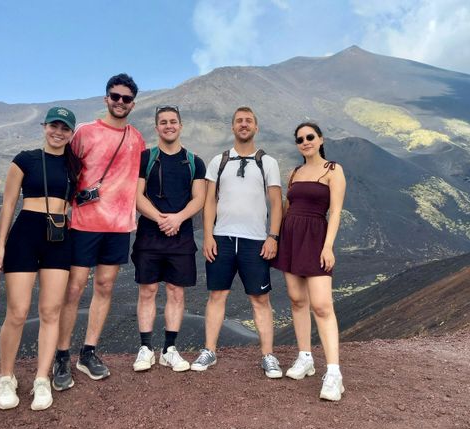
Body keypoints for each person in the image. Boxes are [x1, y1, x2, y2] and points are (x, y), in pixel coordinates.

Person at [52, 73, 146, 388]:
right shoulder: (84, 133)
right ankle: (61, 355)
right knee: (75, 289)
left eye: (126, 98)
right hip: (83, 223)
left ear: (133, 103)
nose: (120, 102)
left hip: (119, 226)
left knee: (104, 287)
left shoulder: (137, 138)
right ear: (106, 98)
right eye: (115, 96)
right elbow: (67, 171)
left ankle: (88, 351)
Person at [0, 107, 79, 411]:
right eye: (54, 126)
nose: (58, 132)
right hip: (25, 234)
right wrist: (1, 244)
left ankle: (42, 379)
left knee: (51, 311)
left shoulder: (74, 165)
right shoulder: (24, 159)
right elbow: (7, 204)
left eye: (65, 128)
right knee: (17, 311)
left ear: (71, 133)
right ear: (44, 127)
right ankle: (6, 377)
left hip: (58, 237)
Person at [191, 106, 284, 378]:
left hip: (255, 240)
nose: (244, 125)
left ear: (256, 127)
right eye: (239, 121)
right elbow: (209, 201)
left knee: (260, 298)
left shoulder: (267, 162)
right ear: (232, 127)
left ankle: (268, 355)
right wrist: (208, 235)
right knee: (217, 295)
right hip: (222, 237)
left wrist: (273, 236)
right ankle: (209, 350)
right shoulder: (218, 161)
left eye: (248, 121)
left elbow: (276, 202)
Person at [272, 122, 347, 401]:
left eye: (310, 137)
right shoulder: (294, 172)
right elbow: (287, 207)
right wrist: (276, 238)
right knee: (296, 299)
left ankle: (334, 373)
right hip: (291, 237)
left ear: (320, 139)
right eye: (300, 139)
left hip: (316, 237)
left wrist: (328, 247)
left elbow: (336, 211)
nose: (305, 142)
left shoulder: (333, 170)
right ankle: (305, 357)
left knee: (322, 305)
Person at [131, 105, 206, 372]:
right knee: (147, 290)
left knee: (176, 291)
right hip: (150, 234)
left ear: (181, 125)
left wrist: (177, 219)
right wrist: (163, 219)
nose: (168, 126)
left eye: (173, 121)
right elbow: (137, 196)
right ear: (156, 127)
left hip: (181, 235)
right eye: (163, 122)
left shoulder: (194, 161)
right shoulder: (145, 158)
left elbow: (200, 198)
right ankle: (145, 349)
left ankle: (169, 349)